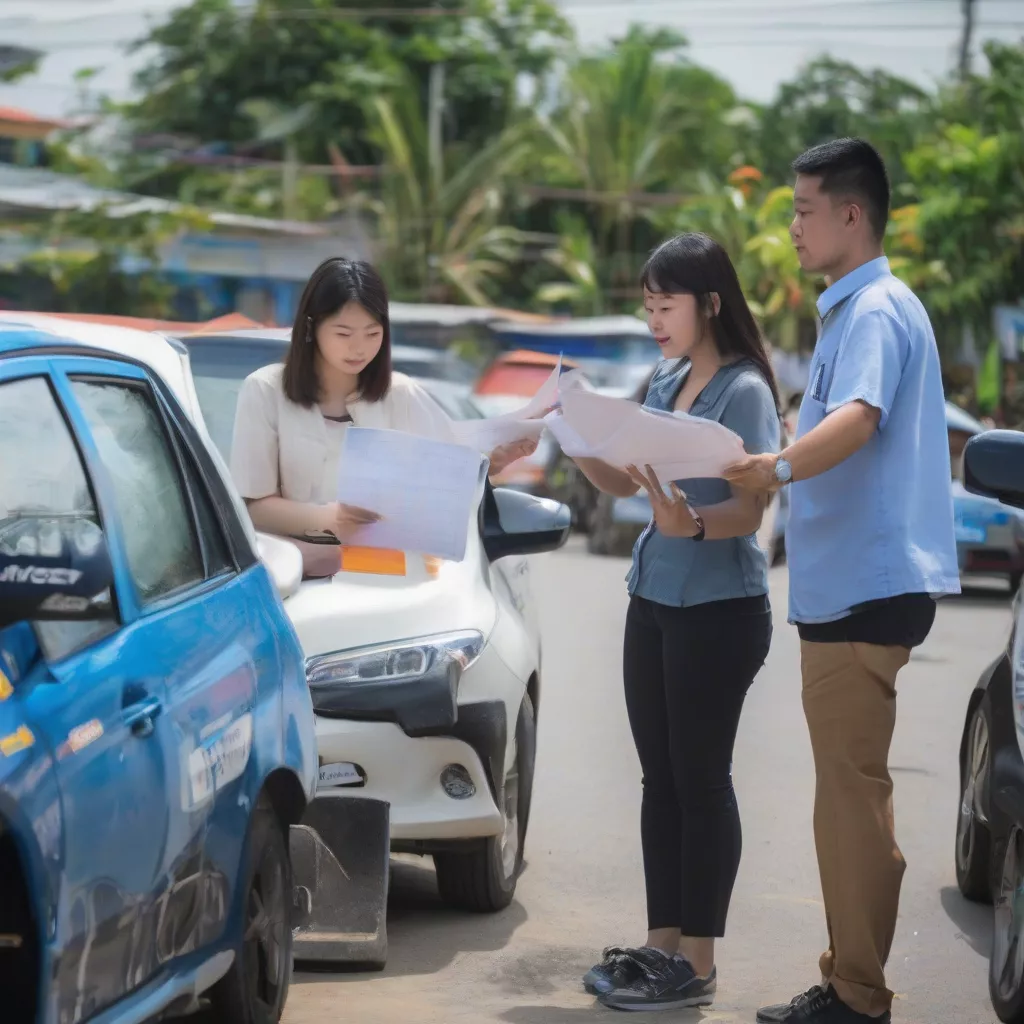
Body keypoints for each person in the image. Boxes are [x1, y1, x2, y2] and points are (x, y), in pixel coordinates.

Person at [724, 138, 960, 1024]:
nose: (790, 228)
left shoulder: (875, 313)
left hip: (867, 585)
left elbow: (857, 421)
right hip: (846, 586)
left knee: (852, 803)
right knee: (842, 798)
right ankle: (846, 981)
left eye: (803, 210)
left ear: (851, 215)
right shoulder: (854, 311)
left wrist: (775, 469)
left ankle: (857, 995)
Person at [567, 232, 780, 1012]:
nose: (654, 319)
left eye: (667, 305)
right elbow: (628, 481)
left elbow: (750, 511)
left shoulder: (745, 390)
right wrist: (575, 437)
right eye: (648, 305)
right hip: (653, 599)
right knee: (661, 779)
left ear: (710, 303)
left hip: (719, 610)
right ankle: (659, 947)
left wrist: (689, 524)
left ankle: (698, 959)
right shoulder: (664, 378)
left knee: (701, 779)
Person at [229, 257, 538, 574]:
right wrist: (330, 517)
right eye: (343, 334)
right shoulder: (265, 390)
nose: (358, 349)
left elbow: (451, 477)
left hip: (391, 575)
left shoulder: (401, 394)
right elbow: (253, 508)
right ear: (311, 327)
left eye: (372, 333)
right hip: (293, 572)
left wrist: (496, 459)